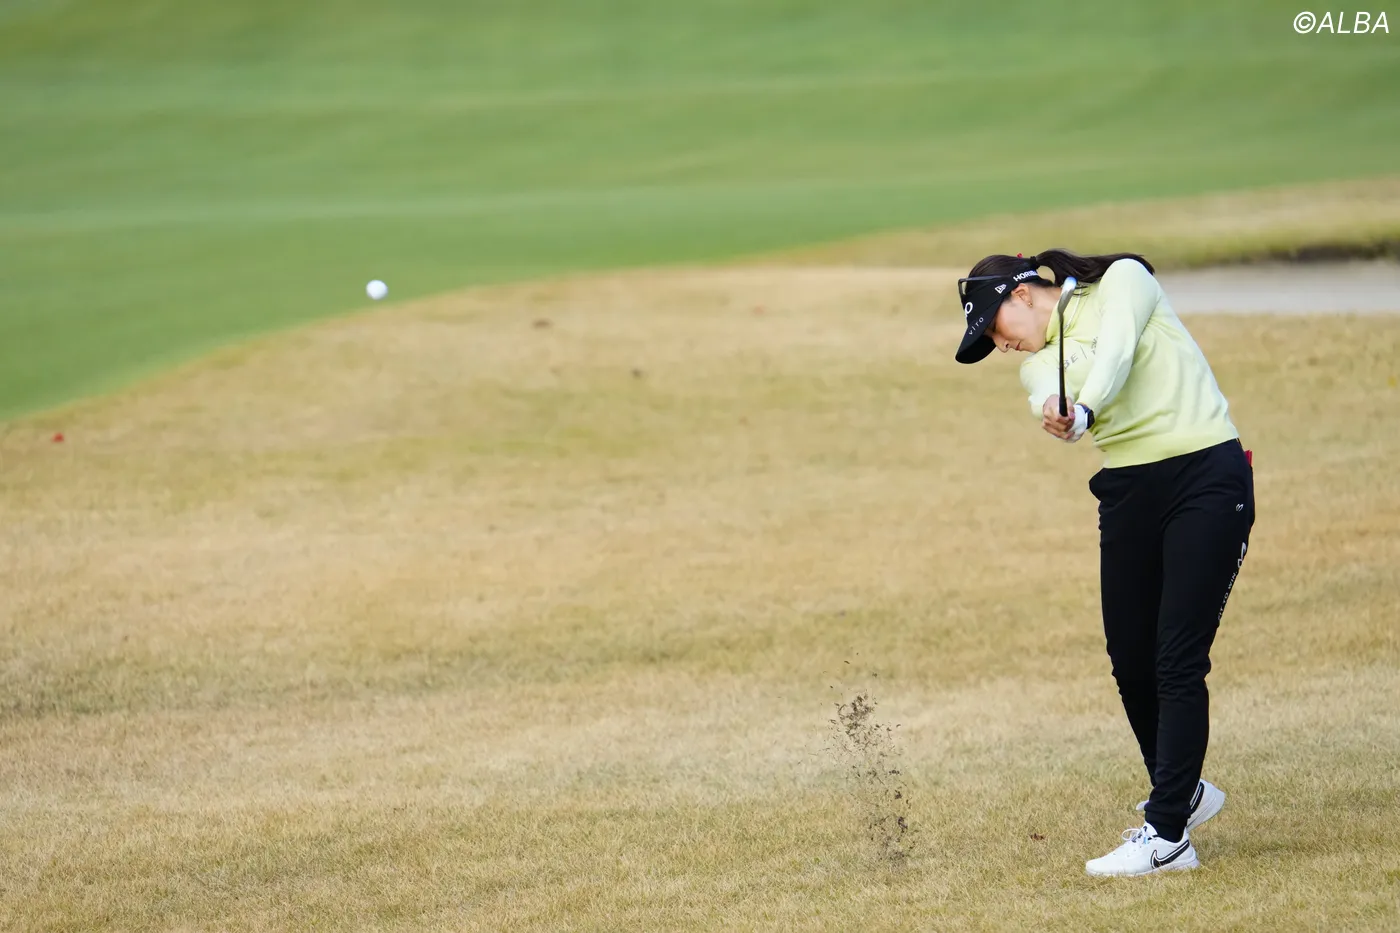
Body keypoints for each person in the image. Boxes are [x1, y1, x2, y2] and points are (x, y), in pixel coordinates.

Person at [955, 249, 1255, 877]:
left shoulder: (1124, 281)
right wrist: (1060, 416)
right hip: (1128, 494)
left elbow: (1116, 351)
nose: (999, 345)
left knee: (1177, 658)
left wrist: (1086, 407)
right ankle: (1182, 792)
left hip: (1205, 477)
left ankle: (1167, 837)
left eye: (994, 328)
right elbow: (1048, 399)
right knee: (1129, 658)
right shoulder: (1038, 363)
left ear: (1021, 295)